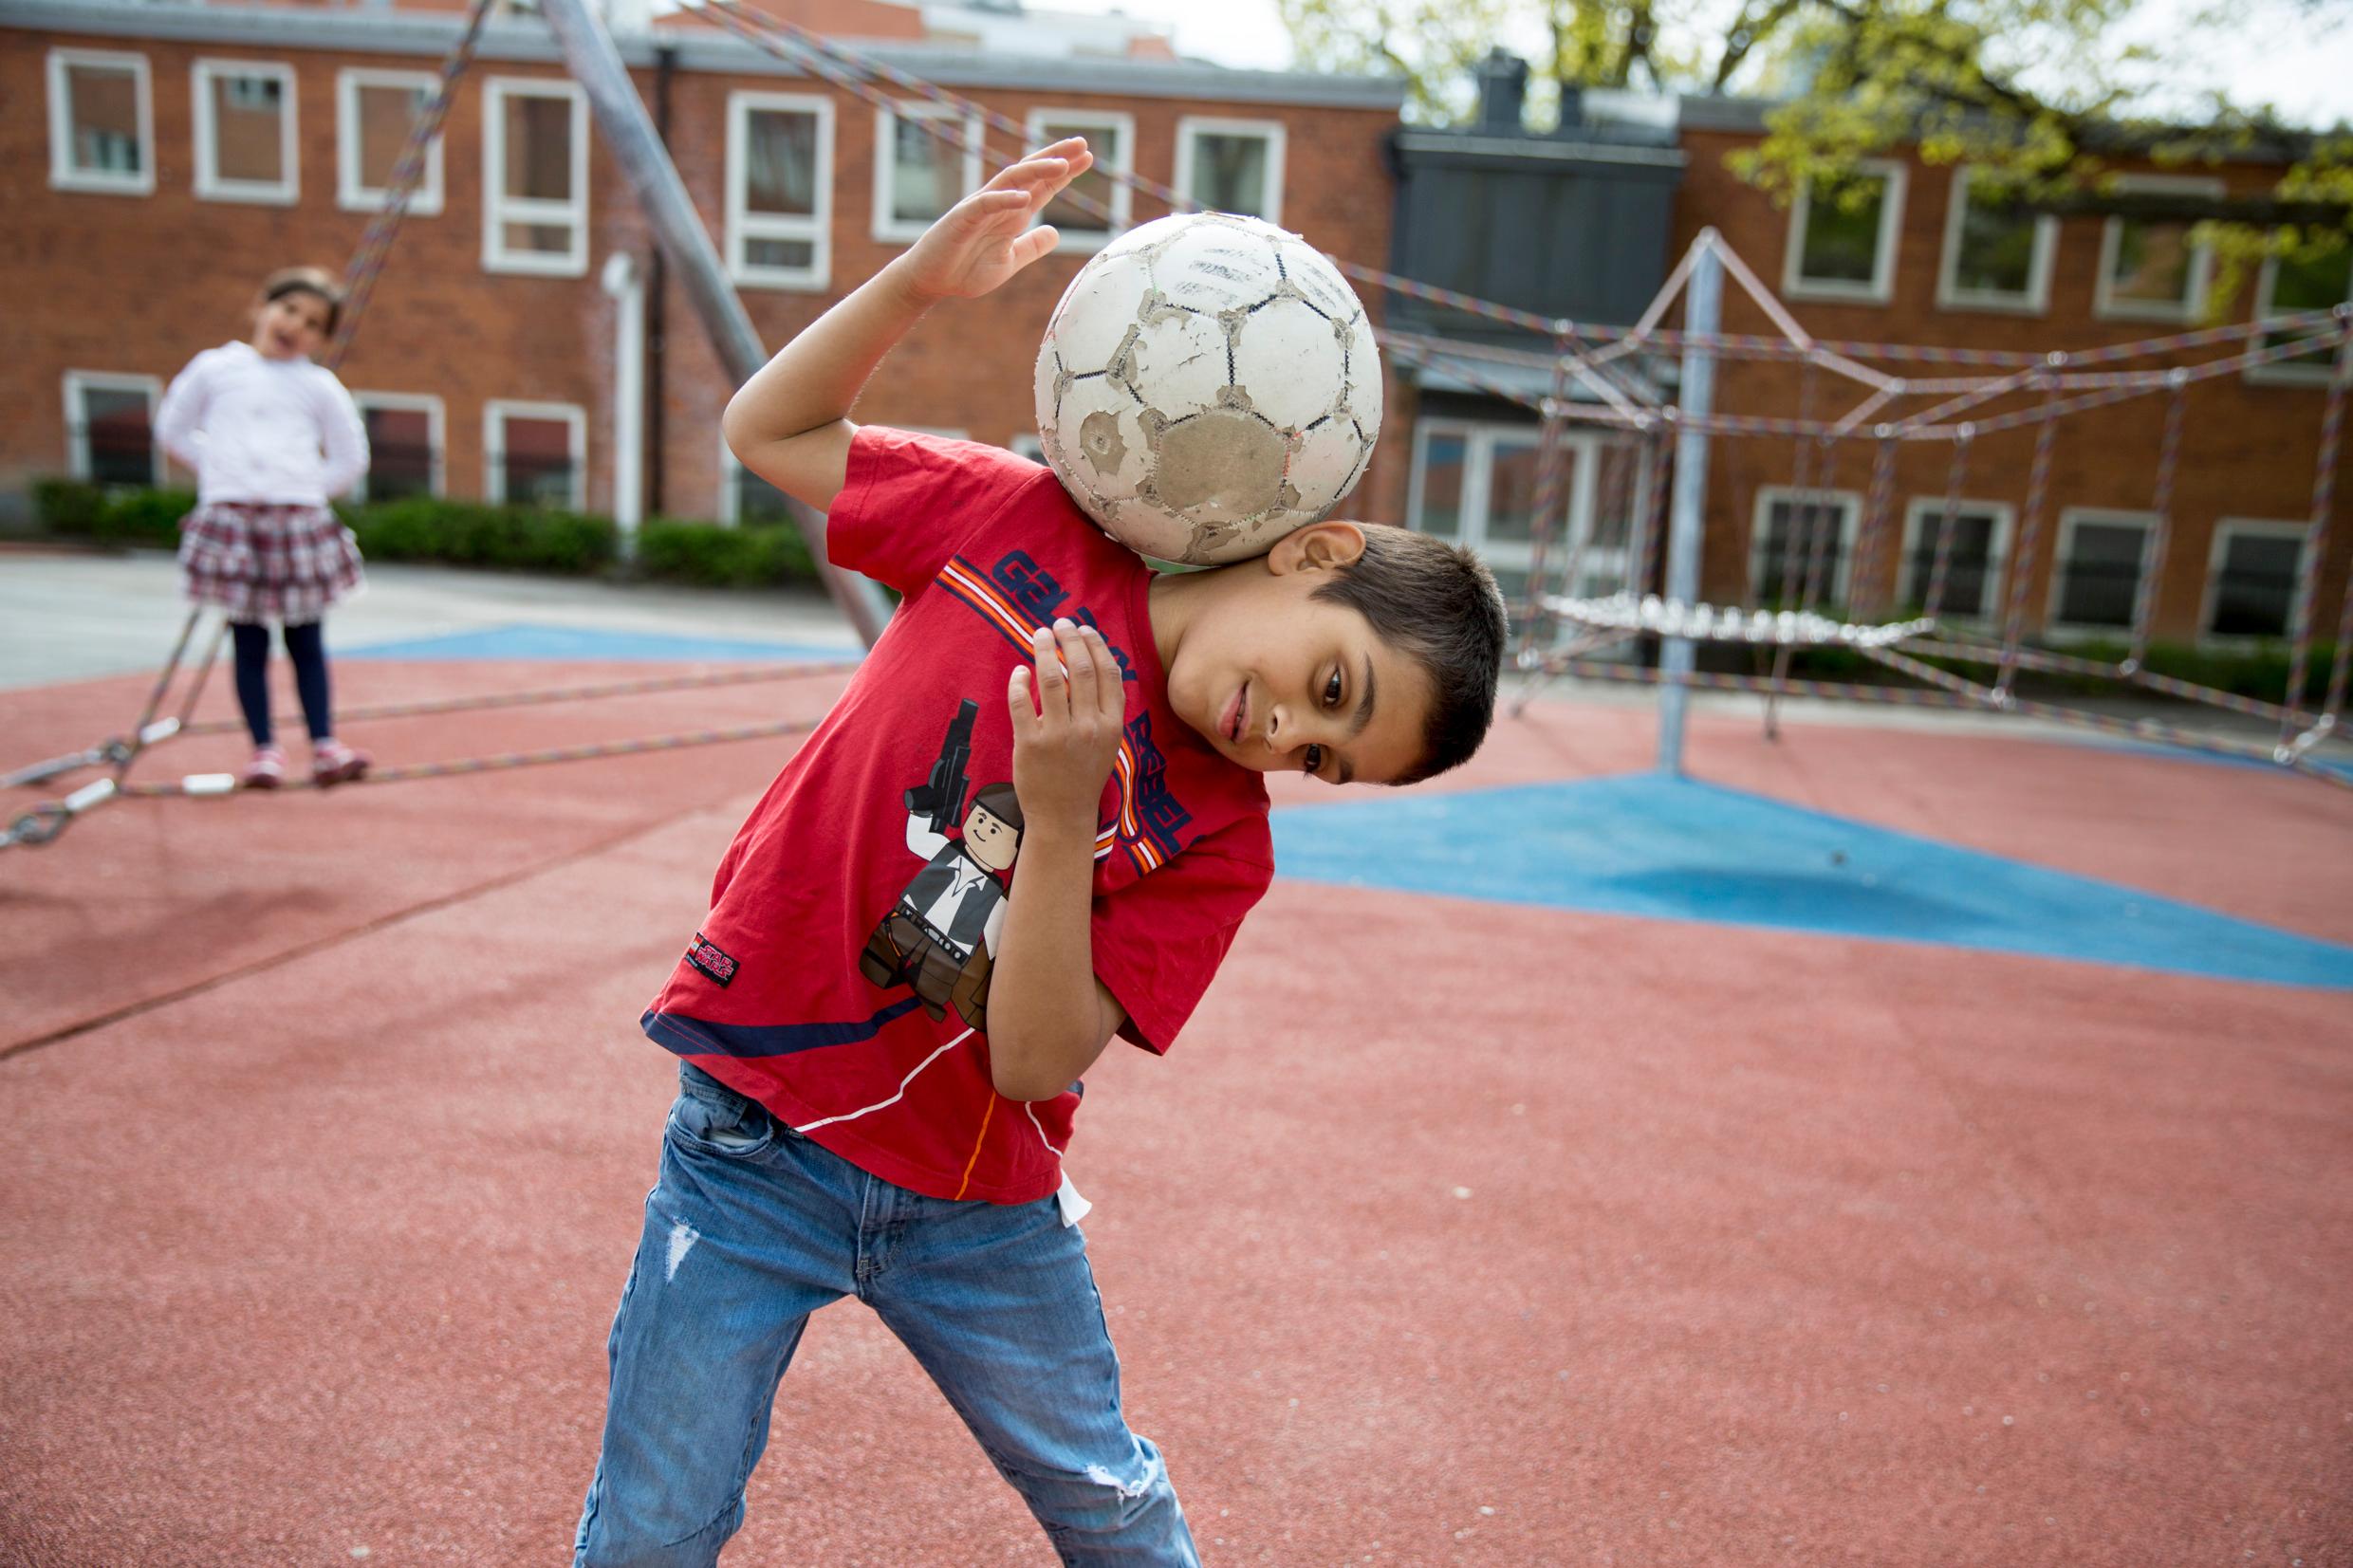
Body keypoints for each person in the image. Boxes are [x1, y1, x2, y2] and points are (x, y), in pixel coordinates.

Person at [573, 139, 1508, 1567]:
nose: (1286, 741)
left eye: (1324, 759)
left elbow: (1031, 1059)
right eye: (1333, 690)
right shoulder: (1017, 521)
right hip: (753, 1136)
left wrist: (1064, 813)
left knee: (1108, 1502)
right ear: (1318, 555)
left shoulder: (1220, 841)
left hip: (974, 1198)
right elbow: (771, 434)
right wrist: (916, 286)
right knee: (657, 1518)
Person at [156, 266, 372, 790]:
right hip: (234, 521)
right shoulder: (217, 368)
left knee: (305, 637)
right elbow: (173, 427)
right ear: (262, 306)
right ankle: (264, 750)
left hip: (294, 520)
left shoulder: (317, 385)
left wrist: (305, 487)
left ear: (322, 339)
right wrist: (218, 467)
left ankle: (323, 743)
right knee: (248, 640)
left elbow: (350, 455)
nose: (295, 325)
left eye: (313, 323)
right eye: (289, 309)